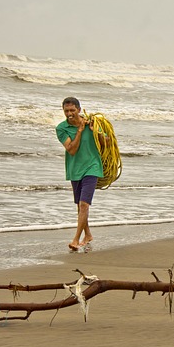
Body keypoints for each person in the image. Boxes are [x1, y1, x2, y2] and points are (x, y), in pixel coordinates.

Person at [56, 96, 105, 251]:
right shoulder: (61, 128)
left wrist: (96, 132)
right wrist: (80, 130)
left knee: (84, 204)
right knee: (80, 205)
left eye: (72, 110)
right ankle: (88, 234)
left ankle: (76, 240)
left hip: (92, 167)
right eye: (66, 111)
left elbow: (107, 142)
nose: (69, 113)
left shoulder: (93, 123)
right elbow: (71, 149)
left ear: (78, 109)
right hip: (75, 169)